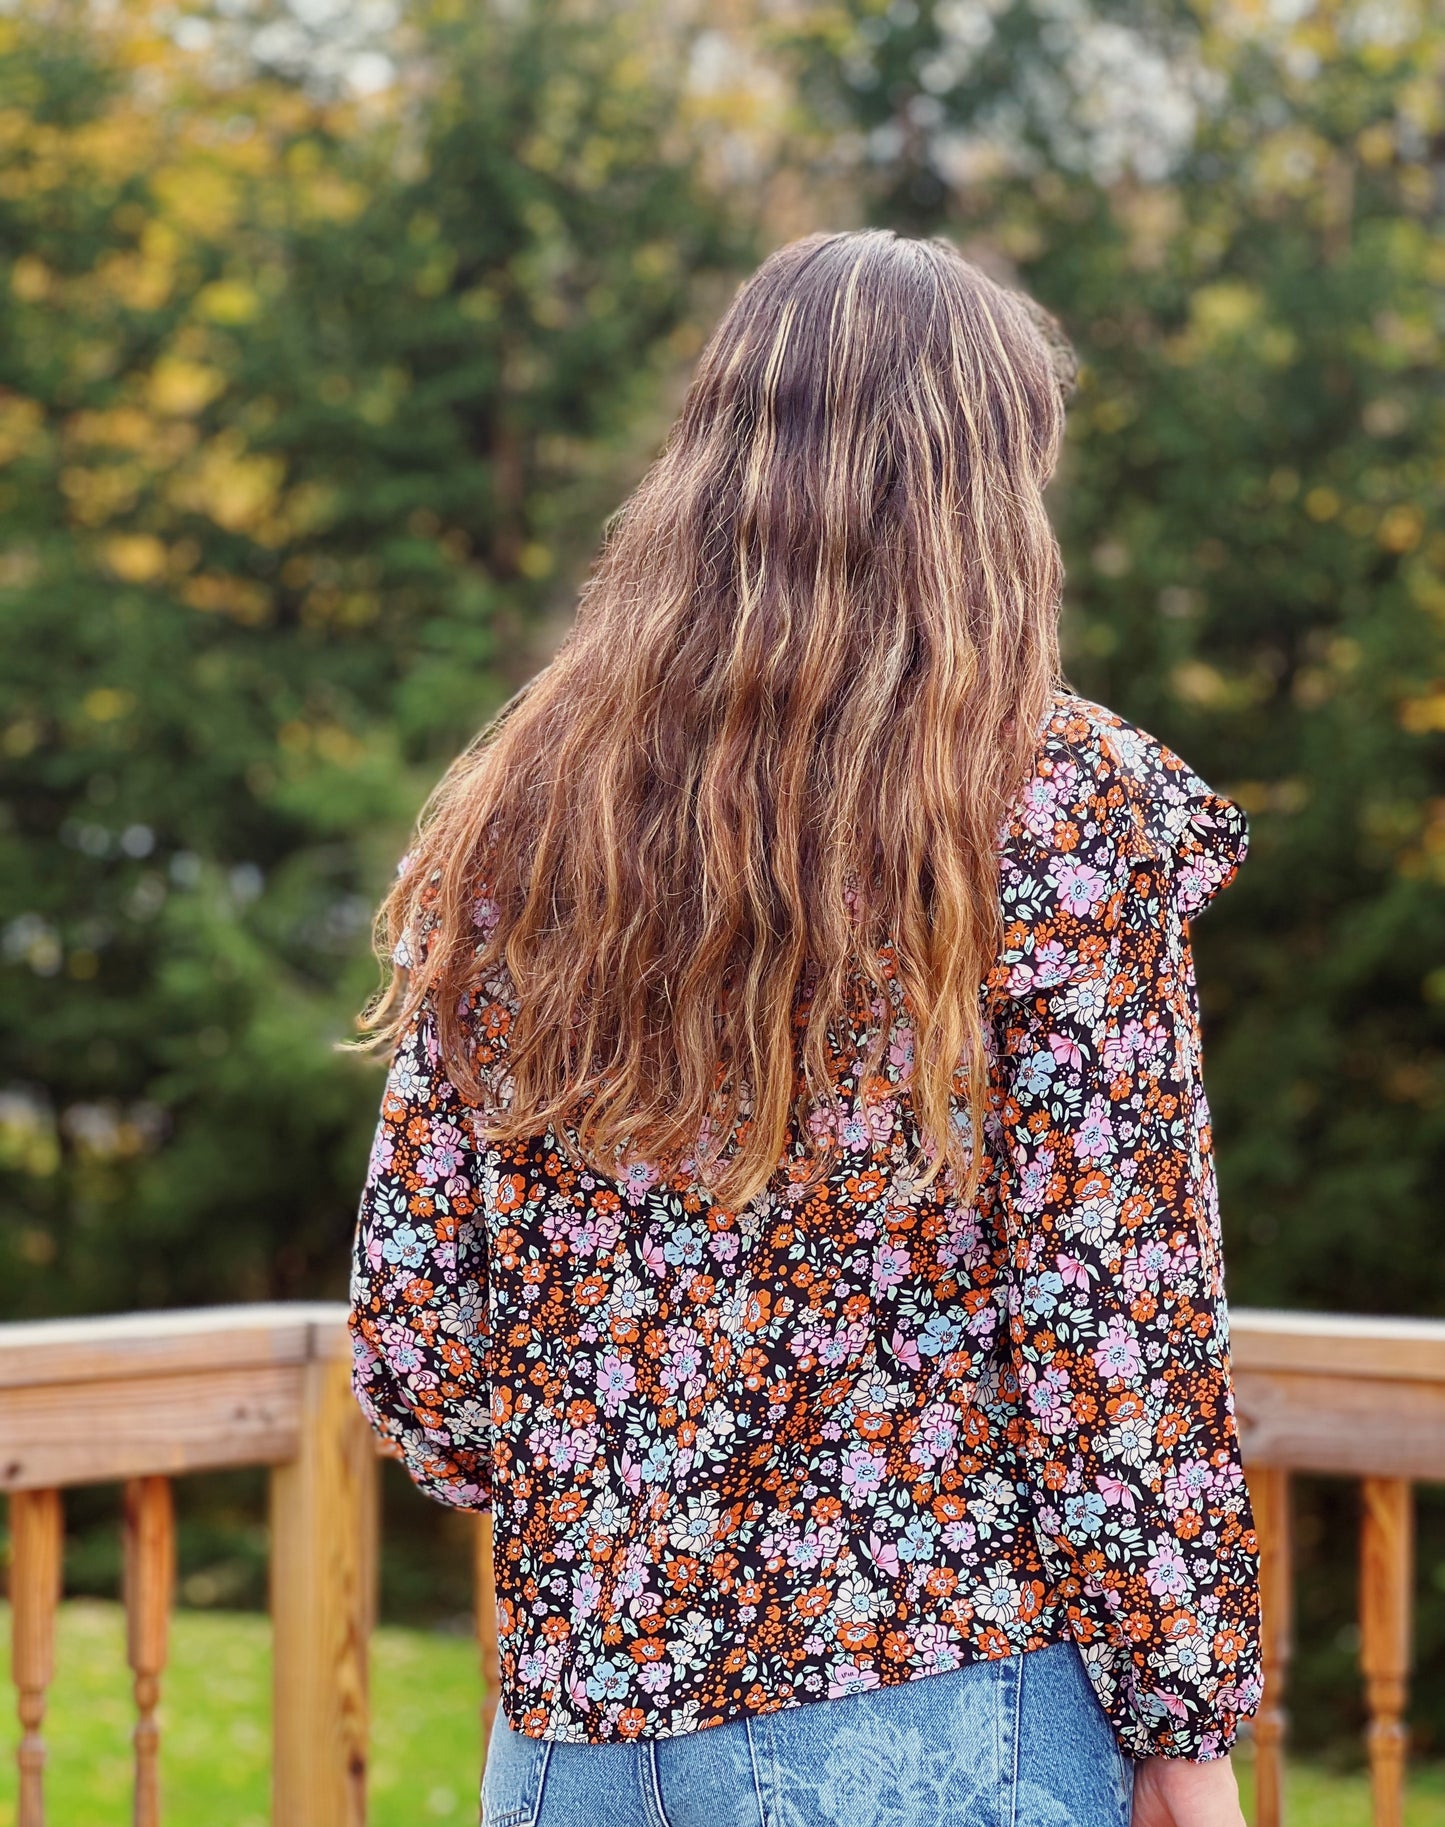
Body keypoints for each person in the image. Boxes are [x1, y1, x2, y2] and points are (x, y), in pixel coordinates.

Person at [348, 229, 1262, 1827]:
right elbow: (1118, 1338)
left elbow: (421, 1349)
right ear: (985, 494)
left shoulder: (525, 812)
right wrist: (1186, 1742)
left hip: (579, 1744)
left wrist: (636, 1488)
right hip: (945, 1718)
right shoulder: (1057, 809)